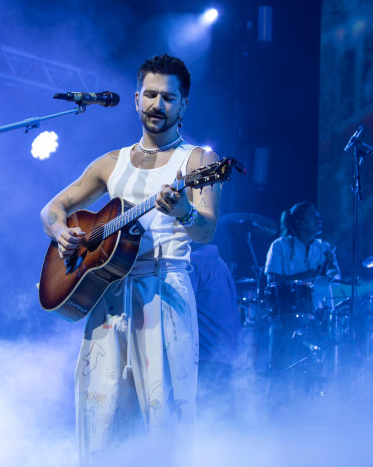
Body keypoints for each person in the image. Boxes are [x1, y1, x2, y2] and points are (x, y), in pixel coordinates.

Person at [40, 54, 221, 464]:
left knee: (165, 418)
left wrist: (183, 213)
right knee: (98, 414)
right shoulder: (110, 162)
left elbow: (207, 229)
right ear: (137, 98)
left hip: (164, 291)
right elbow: (52, 209)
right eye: (151, 95)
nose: (158, 105)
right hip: (106, 291)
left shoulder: (198, 162)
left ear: (184, 105)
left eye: (169, 98)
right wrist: (61, 233)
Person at [262, 202, 340, 402]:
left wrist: (330, 265)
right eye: (313, 216)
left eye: (318, 216)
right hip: (285, 318)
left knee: (318, 369)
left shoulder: (324, 248)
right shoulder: (279, 246)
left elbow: (335, 276)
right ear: (298, 221)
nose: (318, 219)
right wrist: (312, 273)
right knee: (280, 369)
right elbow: (273, 280)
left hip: (319, 317)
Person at [187, 242, 242, 422]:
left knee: (207, 423)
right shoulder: (217, 260)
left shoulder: (194, 262)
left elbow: (181, 308)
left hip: (206, 358)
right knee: (222, 424)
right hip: (224, 357)